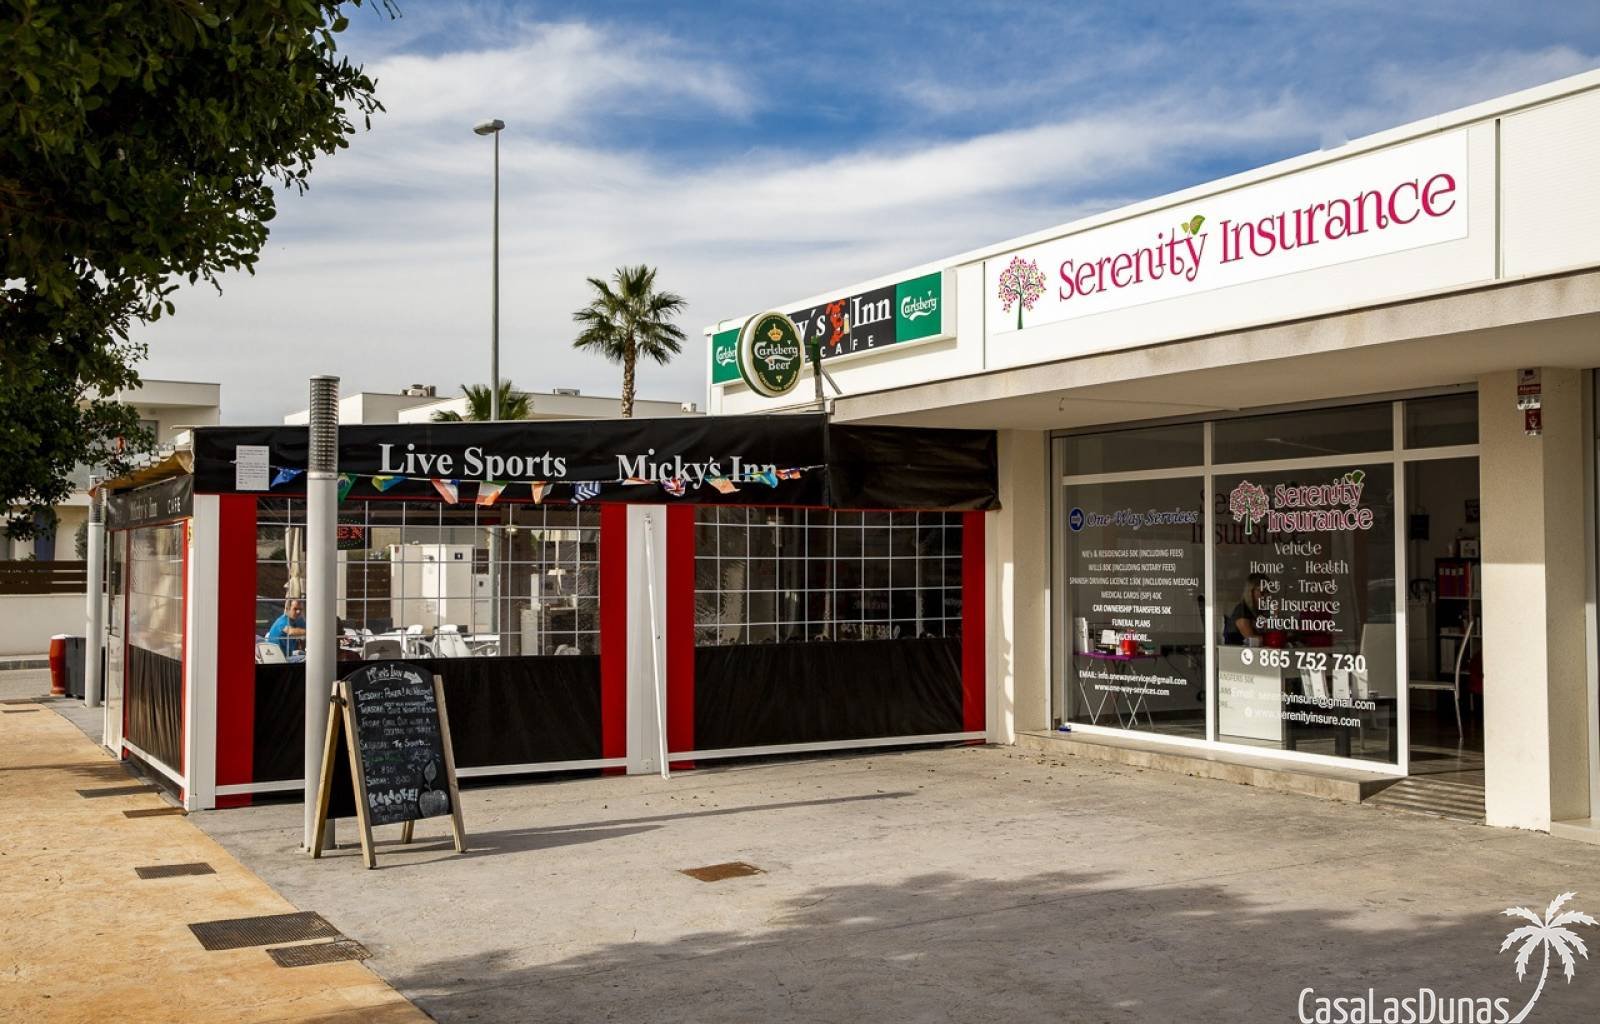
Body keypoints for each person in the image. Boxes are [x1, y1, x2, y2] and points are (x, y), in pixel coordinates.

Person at [1223, 574, 1267, 645]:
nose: (1265, 596)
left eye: (1267, 591)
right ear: (1251, 592)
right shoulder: (1242, 611)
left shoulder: (1257, 611)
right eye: (1261, 592)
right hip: (1236, 653)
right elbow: (1252, 640)